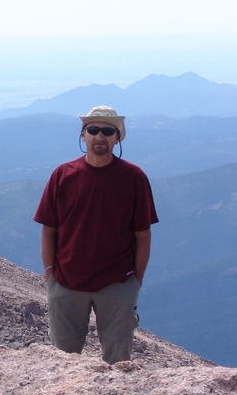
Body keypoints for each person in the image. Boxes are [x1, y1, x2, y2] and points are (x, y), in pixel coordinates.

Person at [33, 106, 158, 363]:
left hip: (117, 284)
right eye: (93, 130)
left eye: (107, 131)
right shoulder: (62, 175)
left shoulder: (134, 178)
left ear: (117, 137)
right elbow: (49, 229)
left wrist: (135, 281)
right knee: (63, 361)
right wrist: (49, 275)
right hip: (66, 284)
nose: (99, 136)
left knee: (118, 359)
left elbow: (142, 234)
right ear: (83, 135)